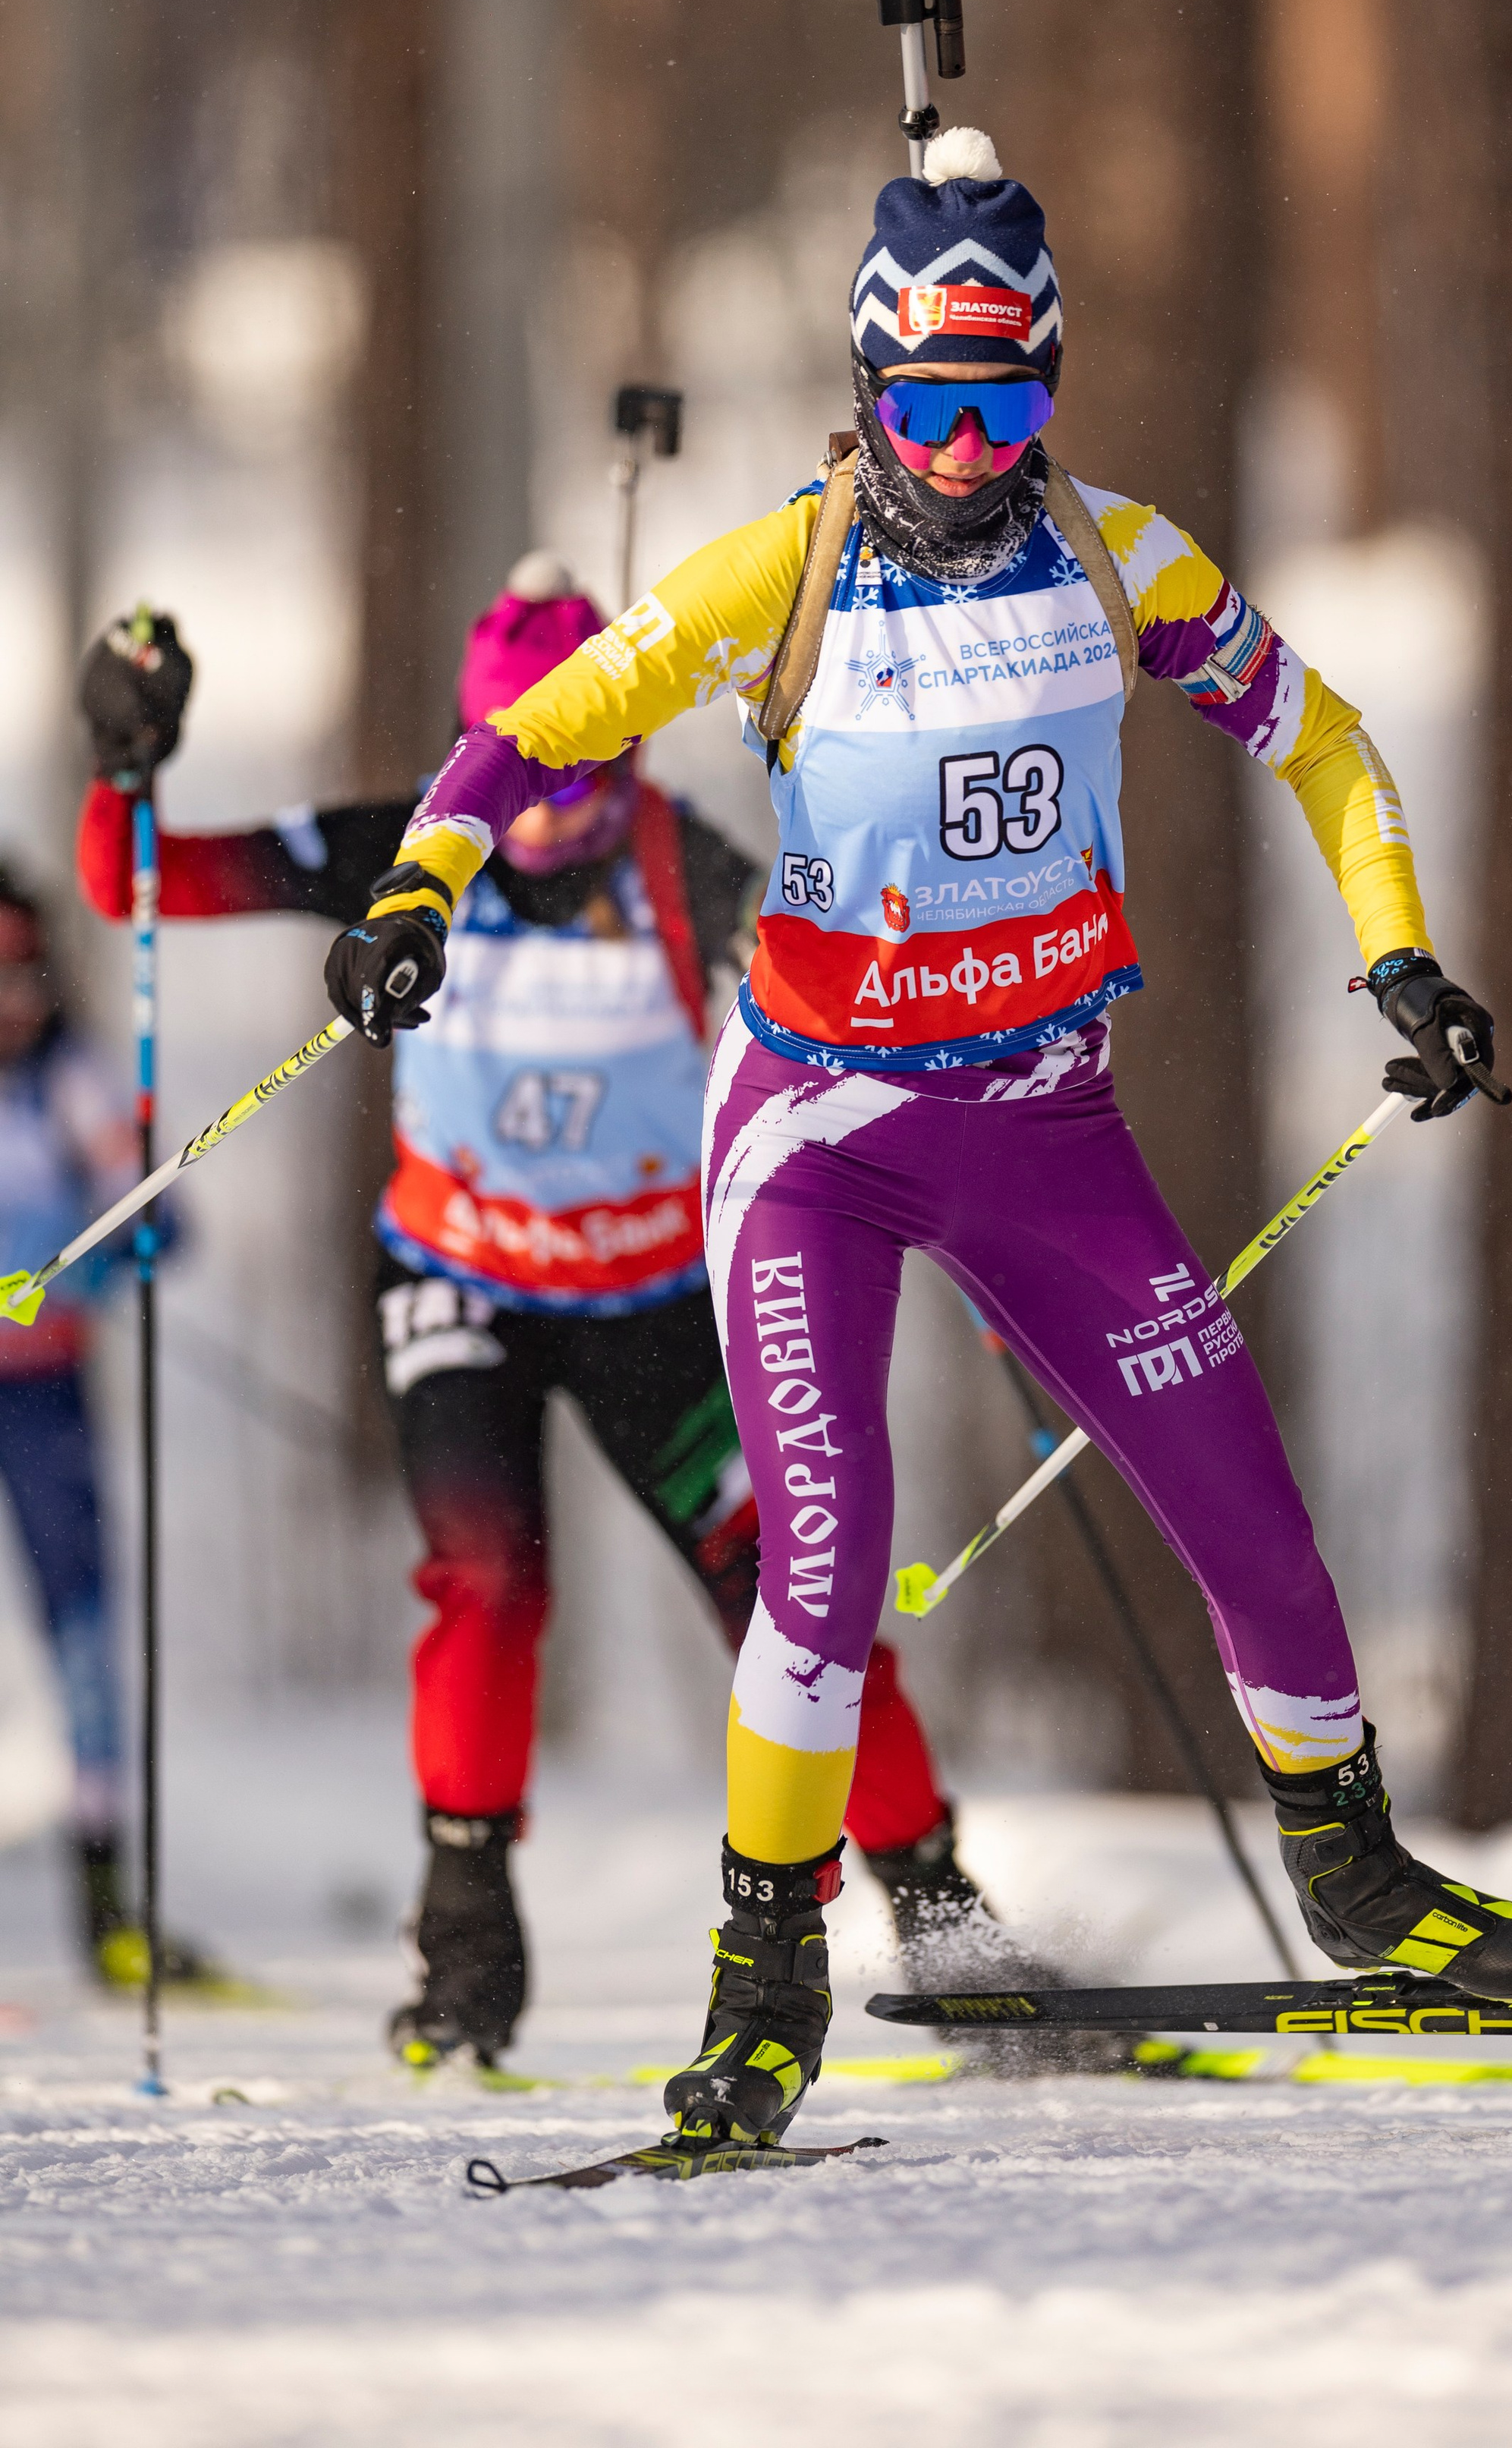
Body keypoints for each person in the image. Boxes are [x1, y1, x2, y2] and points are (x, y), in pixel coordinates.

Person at [322, 124, 1512, 2153]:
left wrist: (1400, 963)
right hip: (818, 1140)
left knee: (1252, 1524)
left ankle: (1358, 1878)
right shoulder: (789, 564)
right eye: (931, 403)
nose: (973, 448)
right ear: (867, 384)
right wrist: (417, 885)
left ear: (1050, 387)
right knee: (824, 1573)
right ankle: (764, 1988)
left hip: (1047, 1127)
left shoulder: (1121, 556)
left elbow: (1327, 739)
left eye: (1010, 402)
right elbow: (538, 727)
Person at [77, 554, 1004, 2070]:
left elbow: (848, 1010)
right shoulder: (405, 847)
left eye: (592, 757)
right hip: (461, 1286)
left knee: (792, 1590)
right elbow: (136, 886)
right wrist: (123, 757)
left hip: (651, 1298)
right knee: (488, 1587)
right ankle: (467, 1959)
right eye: (528, 758)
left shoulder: (675, 861)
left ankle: (947, 1922)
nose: (555, 800)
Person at [0, 857, 205, 1984]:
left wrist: (92, 1259)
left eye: (22, 968)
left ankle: (104, 1904)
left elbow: (162, 1224)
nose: (10, 999)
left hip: (43, 1399)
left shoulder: (70, 1082)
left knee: (84, 1637)